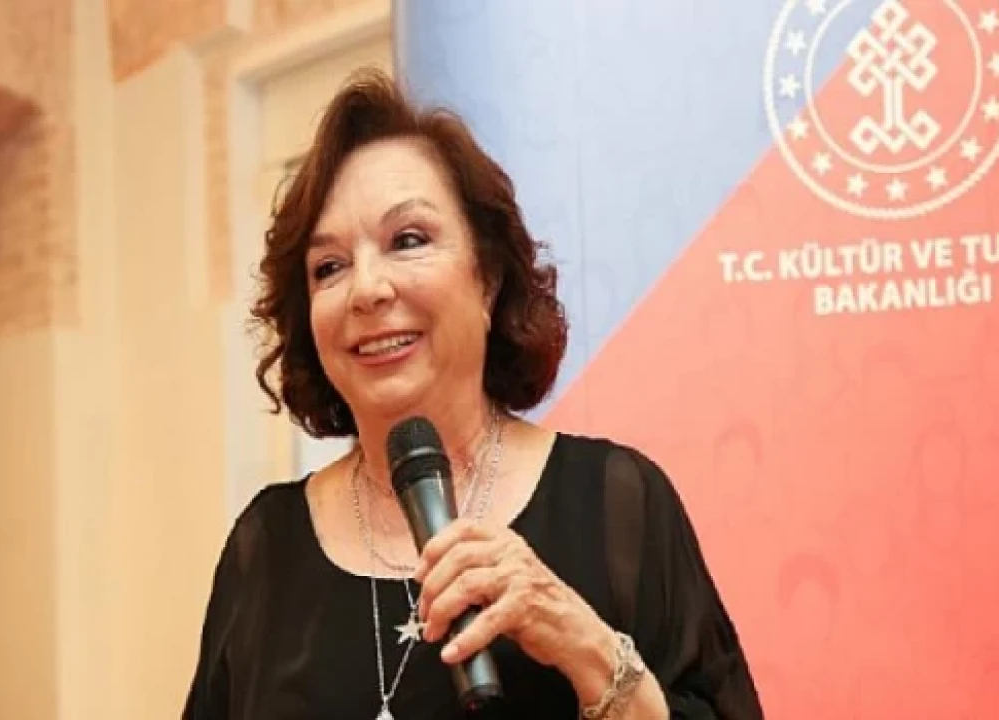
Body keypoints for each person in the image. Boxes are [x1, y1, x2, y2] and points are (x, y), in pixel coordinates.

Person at [182, 68, 763, 719]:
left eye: (408, 240)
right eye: (330, 267)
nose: (367, 289)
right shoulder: (265, 546)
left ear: (487, 277)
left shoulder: (616, 504)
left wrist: (588, 649)